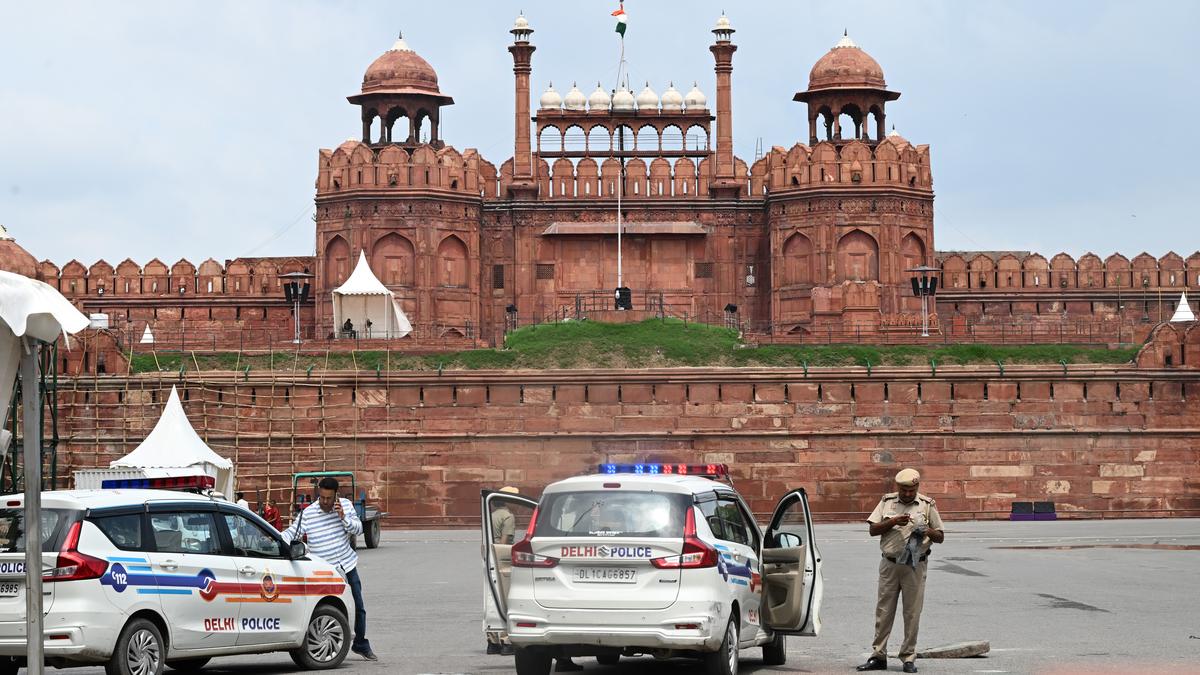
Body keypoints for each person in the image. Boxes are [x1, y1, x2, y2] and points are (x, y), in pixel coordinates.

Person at [857, 469, 944, 674]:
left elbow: (940, 536)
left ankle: (908, 657)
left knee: (912, 613)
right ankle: (878, 656)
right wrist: (893, 521)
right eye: (904, 490)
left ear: (917, 487)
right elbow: (872, 530)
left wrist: (927, 531)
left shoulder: (926, 504)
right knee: (884, 612)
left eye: (911, 490)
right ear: (898, 488)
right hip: (889, 564)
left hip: (915, 565)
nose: (907, 494)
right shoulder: (887, 502)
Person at [282, 476, 377, 661]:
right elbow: (292, 533)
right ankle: (320, 645)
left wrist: (343, 518)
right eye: (322, 497)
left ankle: (360, 644)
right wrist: (272, 539)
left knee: (359, 607)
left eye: (329, 498)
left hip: (347, 565)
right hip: (325, 571)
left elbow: (358, 529)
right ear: (319, 493)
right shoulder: (308, 514)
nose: (325, 502)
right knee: (324, 608)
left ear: (336, 496)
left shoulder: (346, 506)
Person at [485, 487, 520, 656]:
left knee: (491, 597)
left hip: (487, 555)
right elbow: (505, 541)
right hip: (501, 556)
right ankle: (506, 640)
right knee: (506, 598)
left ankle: (492, 641)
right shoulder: (508, 516)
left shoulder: (490, 515)